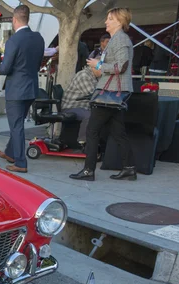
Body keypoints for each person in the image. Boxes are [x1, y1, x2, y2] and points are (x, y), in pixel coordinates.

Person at [70, 7, 135, 182]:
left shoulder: (120, 39)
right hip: (113, 92)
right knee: (118, 132)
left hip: (111, 92)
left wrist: (98, 65)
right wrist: (97, 66)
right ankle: (129, 168)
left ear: (120, 21)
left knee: (92, 130)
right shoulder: (118, 39)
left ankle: (88, 171)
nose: (106, 21)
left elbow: (121, 67)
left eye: (110, 19)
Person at [0, 5, 44, 173]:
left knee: (16, 125)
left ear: (14, 20)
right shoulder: (38, 38)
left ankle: (21, 162)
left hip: (16, 89)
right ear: (28, 18)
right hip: (31, 87)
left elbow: (5, 68)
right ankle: (11, 152)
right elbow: (37, 62)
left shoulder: (13, 40)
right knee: (18, 122)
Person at [61, 66, 99, 144]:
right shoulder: (84, 76)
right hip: (72, 106)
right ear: (95, 67)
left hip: (82, 105)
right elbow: (93, 95)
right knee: (90, 115)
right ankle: (83, 141)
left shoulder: (93, 76)